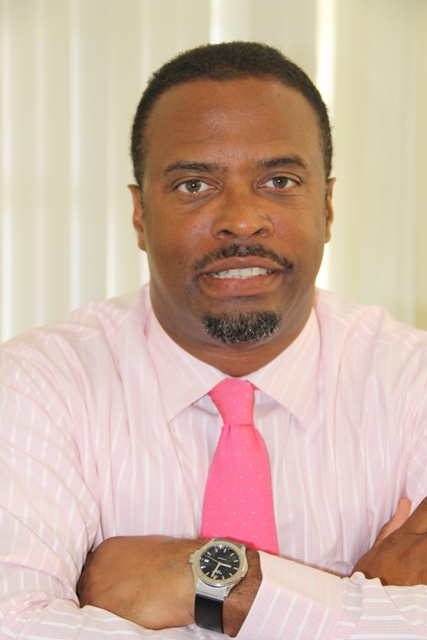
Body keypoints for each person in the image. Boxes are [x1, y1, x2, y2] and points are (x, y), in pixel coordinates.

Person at [1, 40, 427, 639]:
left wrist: (213, 586)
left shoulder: (416, 382)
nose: (242, 218)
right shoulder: (34, 385)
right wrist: (349, 609)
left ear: (328, 206)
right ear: (139, 216)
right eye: (194, 185)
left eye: (279, 180)